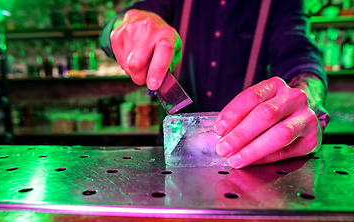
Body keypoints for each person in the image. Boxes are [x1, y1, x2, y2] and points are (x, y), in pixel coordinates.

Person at [99, 0, 330, 169]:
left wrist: (306, 97)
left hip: (247, 164)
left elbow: (301, 56)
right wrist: (131, 22)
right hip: (174, 160)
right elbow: (110, 32)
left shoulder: (283, 4)